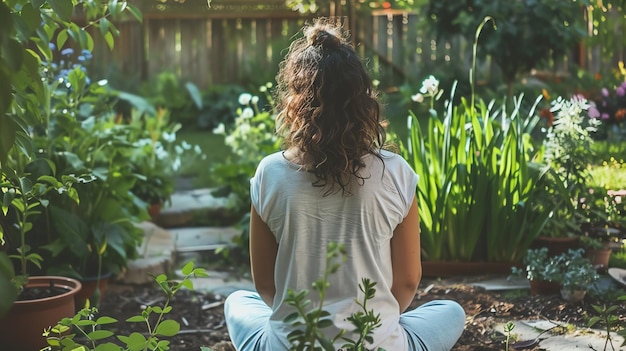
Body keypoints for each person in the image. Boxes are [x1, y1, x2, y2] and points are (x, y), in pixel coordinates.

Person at [224, 18, 465, 351]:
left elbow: (265, 286)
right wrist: (371, 326)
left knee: (238, 301)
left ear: (295, 100)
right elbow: (407, 283)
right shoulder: (396, 173)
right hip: (375, 341)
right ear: (361, 98)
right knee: (450, 311)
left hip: (292, 342)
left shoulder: (270, 173)